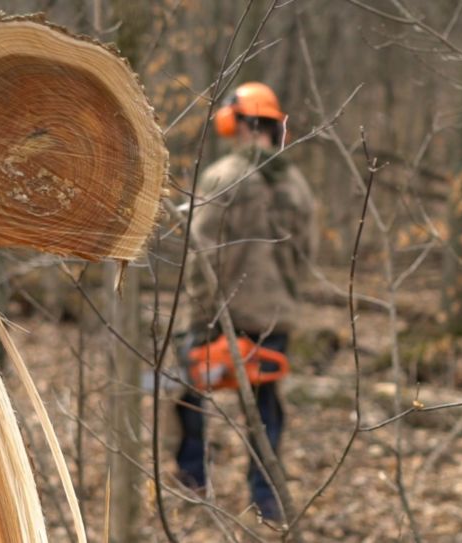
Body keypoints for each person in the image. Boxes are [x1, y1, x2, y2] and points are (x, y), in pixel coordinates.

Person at [176, 82, 316, 521]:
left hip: (219, 315)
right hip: (274, 317)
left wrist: (200, 311)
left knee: (183, 394)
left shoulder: (222, 175)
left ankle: (191, 477)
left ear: (236, 122)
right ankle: (266, 499)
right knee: (267, 410)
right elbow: (306, 253)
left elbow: (199, 250)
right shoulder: (298, 184)